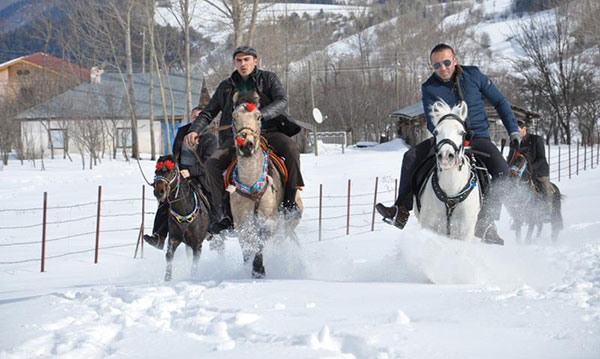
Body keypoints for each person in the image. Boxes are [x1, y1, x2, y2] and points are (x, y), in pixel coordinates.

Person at [376, 43, 521, 245]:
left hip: (478, 138)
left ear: (454, 60)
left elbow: (500, 102)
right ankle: (401, 210)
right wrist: (448, 133)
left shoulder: (475, 75)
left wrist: (513, 129)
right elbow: (431, 117)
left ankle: (486, 221)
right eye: (437, 65)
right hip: (446, 138)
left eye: (446, 62)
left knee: (502, 172)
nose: (442, 68)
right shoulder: (429, 87)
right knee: (410, 157)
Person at [184, 46, 304, 234]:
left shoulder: (269, 79)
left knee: (291, 148)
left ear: (255, 61)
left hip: (268, 131)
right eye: (239, 60)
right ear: (235, 63)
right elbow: (208, 112)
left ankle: (289, 201)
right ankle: (225, 213)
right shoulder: (226, 86)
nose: (243, 64)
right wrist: (193, 130)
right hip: (237, 136)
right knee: (212, 164)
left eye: (246, 59)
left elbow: (282, 101)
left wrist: (259, 115)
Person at [143, 106, 218, 250]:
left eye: (200, 117)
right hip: (179, 175)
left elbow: (209, 163)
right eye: (194, 116)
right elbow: (175, 155)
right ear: (191, 118)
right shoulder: (183, 132)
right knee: (166, 199)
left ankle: (213, 229)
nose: (197, 119)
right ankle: (159, 236)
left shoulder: (210, 137)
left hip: (200, 176)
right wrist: (167, 167)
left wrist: (190, 172)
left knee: (210, 198)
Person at [509, 119, 552, 213]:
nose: (516, 133)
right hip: (520, 172)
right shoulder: (513, 142)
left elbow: (542, 158)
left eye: (518, 130)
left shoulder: (536, 139)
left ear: (524, 128)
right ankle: (515, 214)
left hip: (538, 170)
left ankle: (547, 210)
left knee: (545, 189)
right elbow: (511, 159)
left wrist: (529, 168)